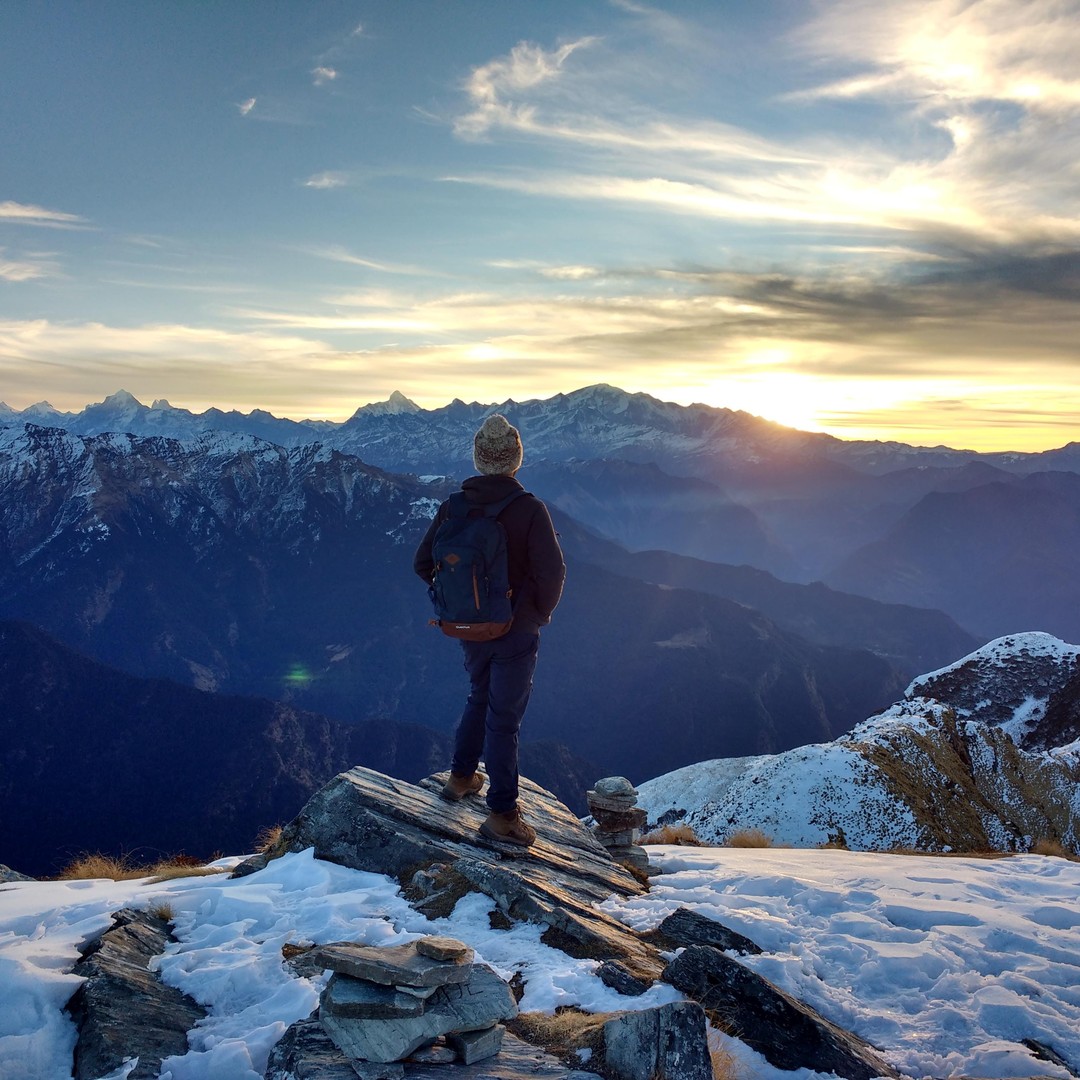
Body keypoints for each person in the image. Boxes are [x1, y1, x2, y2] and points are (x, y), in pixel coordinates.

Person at [413, 414, 565, 846]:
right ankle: (502, 816)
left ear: (478, 459)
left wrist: (459, 602)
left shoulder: (453, 507)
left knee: (478, 695)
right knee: (505, 720)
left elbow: (423, 564)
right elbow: (552, 574)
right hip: (515, 632)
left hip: (468, 626)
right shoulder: (530, 509)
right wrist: (536, 614)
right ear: (516, 459)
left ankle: (461, 778)